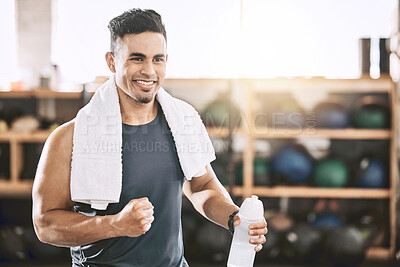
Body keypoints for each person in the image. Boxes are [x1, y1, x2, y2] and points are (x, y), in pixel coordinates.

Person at [32, 8, 267, 267]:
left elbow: (202, 187)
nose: (149, 71)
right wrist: (114, 225)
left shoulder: (183, 121)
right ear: (112, 62)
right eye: (136, 58)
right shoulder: (68, 138)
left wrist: (233, 217)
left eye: (157, 59)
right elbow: (45, 225)